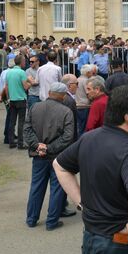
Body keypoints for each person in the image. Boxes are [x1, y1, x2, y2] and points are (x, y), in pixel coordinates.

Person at [54, 86, 128, 254]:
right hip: (120, 246)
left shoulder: (89, 138)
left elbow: (59, 166)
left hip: (92, 239)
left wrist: (81, 202)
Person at [24, 82, 74, 230]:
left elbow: (27, 129)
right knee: (57, 188)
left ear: (50, 93)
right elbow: (68, 137)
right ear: (63, 95)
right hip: (57, 156)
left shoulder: (35, 107)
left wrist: (37, 146)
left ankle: (31, 219)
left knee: (36, 186)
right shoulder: (66, 112)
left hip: (39, 155)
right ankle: (52, 221)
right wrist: (49, 148)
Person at [3, 55, 30, 150]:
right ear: (21, 62)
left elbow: (6, 87)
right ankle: (20, 143)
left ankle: (11, 142)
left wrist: (8, 98)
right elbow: (25, 87)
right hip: (21, 99)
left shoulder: (9, 72)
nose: (25, 63)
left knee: (12, 121)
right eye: (24, 61)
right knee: (21, 122)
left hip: (12, 99)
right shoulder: (22, 72)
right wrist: (30, 82)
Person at [75, 64, 94, 137]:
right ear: (87, 72)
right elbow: (88, 93)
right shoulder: (86, 81)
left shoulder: (78, 79)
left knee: (79, 126)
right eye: (91, 72)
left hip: (78, 105)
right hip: (85, 106)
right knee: (83, 128)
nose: (92, 74)